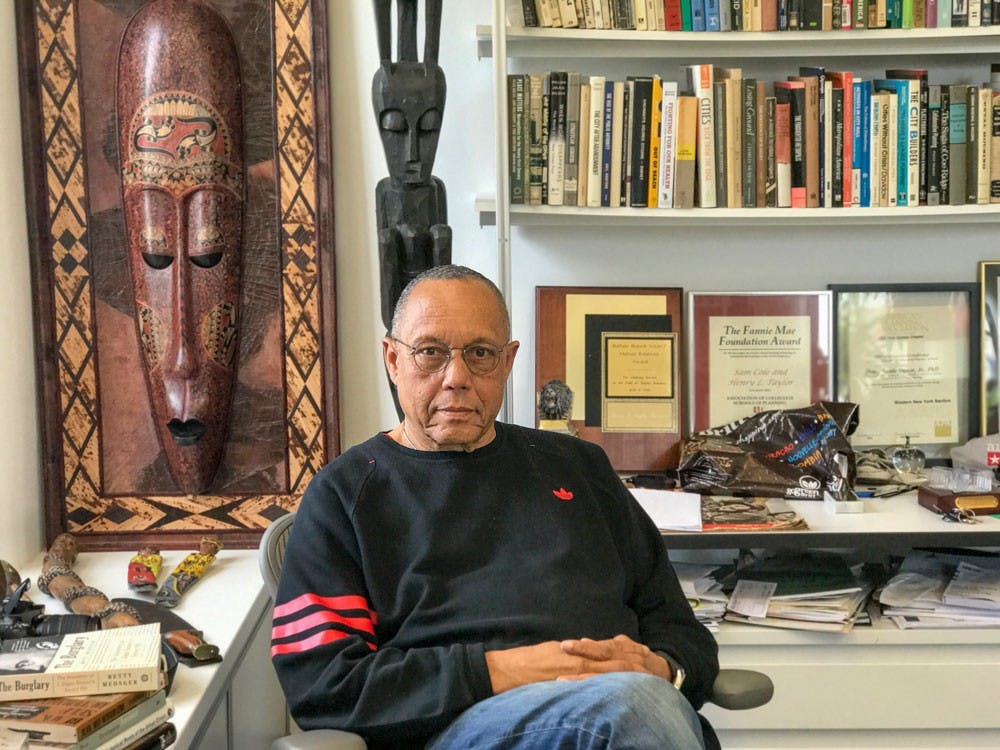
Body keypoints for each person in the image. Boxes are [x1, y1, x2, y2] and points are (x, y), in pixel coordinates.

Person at [271, 265, 720, 749]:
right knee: (626, 711)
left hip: (634, 711)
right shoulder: (344, 496)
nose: (456, 378)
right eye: (430, 353)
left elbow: (679, 628)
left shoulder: (580, 468)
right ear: (392, 359)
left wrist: (662, 669)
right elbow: (323, 685)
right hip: (458, 730)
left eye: (480, 354)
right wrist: (508, 670)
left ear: (508, 362)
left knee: (637, 707)